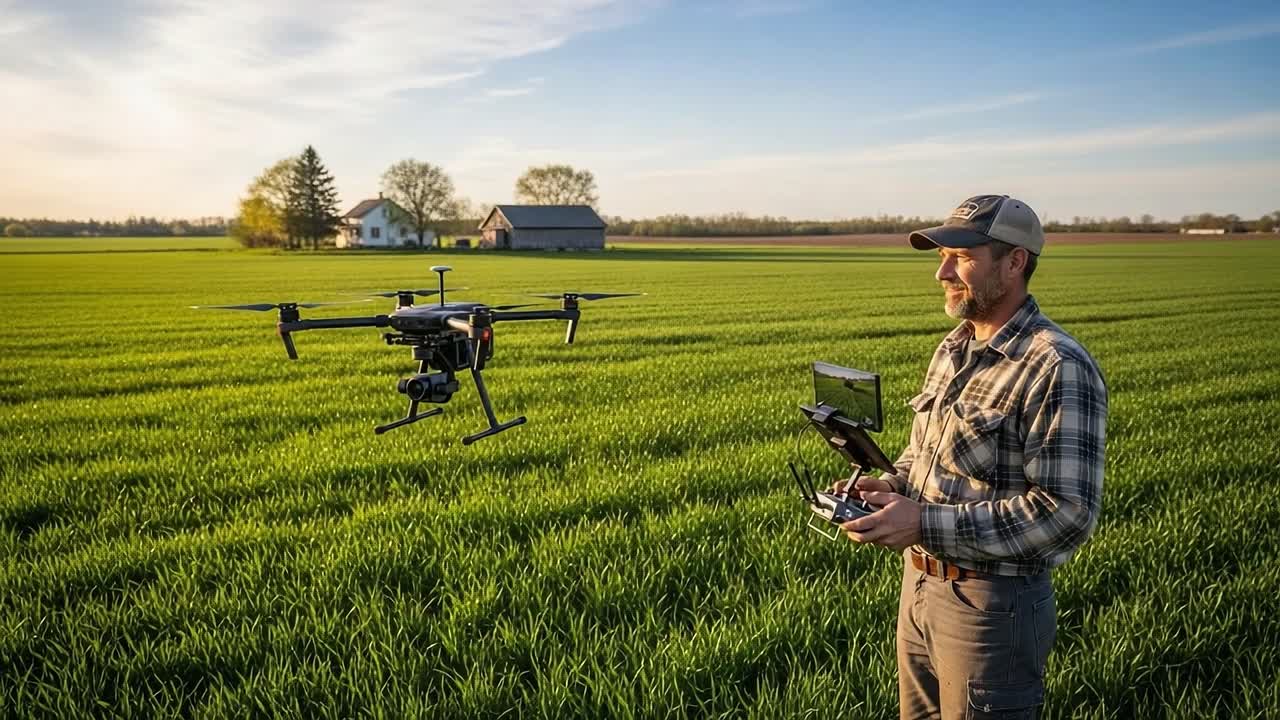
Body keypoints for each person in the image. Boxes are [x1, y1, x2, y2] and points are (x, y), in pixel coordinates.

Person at [839, 194, 1108, 719]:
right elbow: (923, 455)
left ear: (1014, 262)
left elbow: (1067, 513)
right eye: (941, 255)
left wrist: (923, 521)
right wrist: (890, 487)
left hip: (992, 608)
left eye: (962, 257)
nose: (942, 271)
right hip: (918, 588)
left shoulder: (1056, 365)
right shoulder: (953, 347)